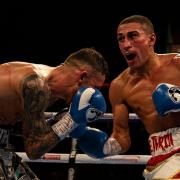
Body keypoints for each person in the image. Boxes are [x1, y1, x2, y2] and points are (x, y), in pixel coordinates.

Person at [75, 15, 180, 179]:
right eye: (120, 39)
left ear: (151, 39)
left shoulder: (177, 64)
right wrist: (105, 147)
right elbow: (121, 137)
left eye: (133, 36)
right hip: (161, 159)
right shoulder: (120, 86)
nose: (126, 44)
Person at [0, 47, 109, 179]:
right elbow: (33, 151)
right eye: (94, 88)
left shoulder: (51, 91)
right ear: (82, 77)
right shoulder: (36, 85)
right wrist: (70, 121)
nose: (94, 94)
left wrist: (54, 122)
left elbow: (20, 128)